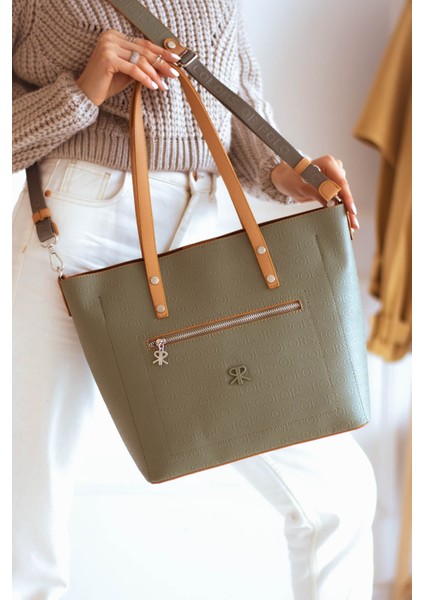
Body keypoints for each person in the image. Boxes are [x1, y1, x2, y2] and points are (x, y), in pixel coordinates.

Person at [12, 0, 376, 598]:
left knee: (338, 490)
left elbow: (242, 117)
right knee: (30, 497)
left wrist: (293, 174)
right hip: (77, 227)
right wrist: (81, 91)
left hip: (202, 234)